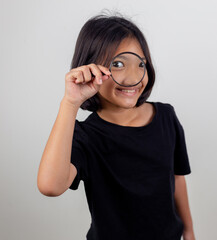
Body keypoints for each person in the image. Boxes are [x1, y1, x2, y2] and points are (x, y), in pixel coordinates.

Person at [37, 11, 196, 240]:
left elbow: (177, 178)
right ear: (90, 69)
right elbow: (50, 186)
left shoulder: (166, 116)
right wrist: (70, 102)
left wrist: (189, 232)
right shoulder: (86, 136)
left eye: (140, 64)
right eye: (118, 64)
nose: (133, 77)